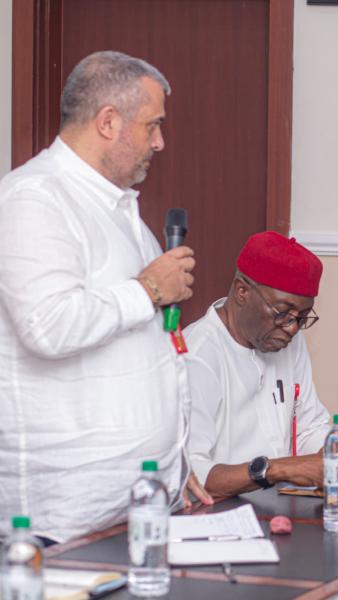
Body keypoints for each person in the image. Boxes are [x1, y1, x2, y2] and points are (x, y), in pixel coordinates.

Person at [0, 51, 210, 543]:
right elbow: (49, 325)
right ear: (108, 122)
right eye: (152, 125)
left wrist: (175, 466)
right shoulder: (33, 199)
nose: (160, 142)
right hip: (63, 520)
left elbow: (145, 351)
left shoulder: (120, 211)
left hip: (138, 503)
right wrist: (148, 289)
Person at [185, 231, 338, 497]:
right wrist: (277, 469)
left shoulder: (285, 339)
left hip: (280, 507)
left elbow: (309, 428)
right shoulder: (197, 354)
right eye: (282, 313)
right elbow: (192, 475)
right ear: (242, 291)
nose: (291, 328)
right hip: (220, 519)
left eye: (301, 318)